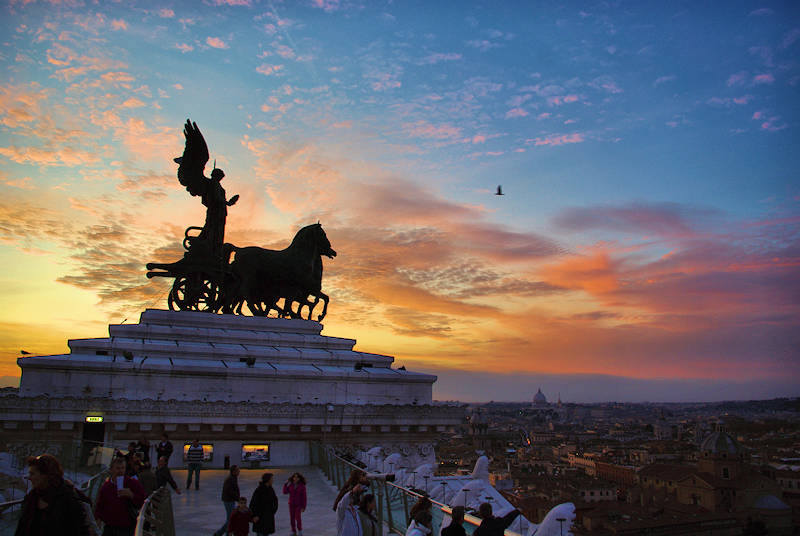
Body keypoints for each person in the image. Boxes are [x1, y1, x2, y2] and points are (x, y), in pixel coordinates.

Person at [15, 454, 90, 536]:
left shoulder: (68, 500)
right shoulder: (31, 498)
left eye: (32, 474)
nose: (29, 478)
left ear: (46, 475)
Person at [94, 457, 146, 536]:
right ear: (111, 470)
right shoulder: (106, 486)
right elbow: (100, 505)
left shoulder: (132, 483)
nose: (120, 471)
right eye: (118, 468)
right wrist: (98, 520)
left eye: (123, 468)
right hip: (110, 526)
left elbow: (144, 500)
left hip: (126, 528)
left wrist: (131, 495)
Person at [214, 465, 240, 536]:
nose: (239, 471)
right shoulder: (231, 479)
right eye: (238, 470)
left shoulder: (233, 478)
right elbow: (230, 491)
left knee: (230, 519)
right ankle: (227, 533)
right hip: (229, 501)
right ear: (234, 471)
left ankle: (219, 533)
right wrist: (237, 499)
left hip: (230, 500)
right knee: (231, 519)